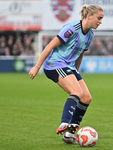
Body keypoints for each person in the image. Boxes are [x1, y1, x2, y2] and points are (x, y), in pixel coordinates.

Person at [29, 4, 104, 144]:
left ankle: (69, 135)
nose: (100, 22)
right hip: (54, 64)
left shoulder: (90, 35)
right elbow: (50, 46)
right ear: (89, 16)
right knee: (76, 91)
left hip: (68, 67)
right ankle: (64, 124)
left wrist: (76, 71)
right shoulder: (72, 29)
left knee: (86, 98)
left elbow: (80, 54)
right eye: (99, 18)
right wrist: (37, 66)